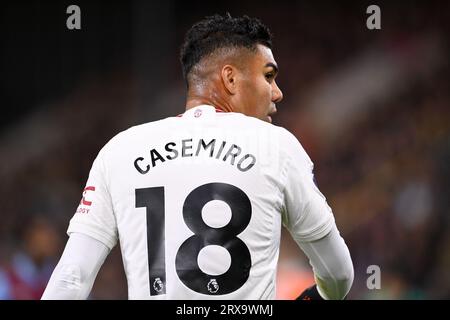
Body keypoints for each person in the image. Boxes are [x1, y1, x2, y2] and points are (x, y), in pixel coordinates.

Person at [42, 13, 353, 300]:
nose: (277, 92)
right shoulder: (277, 146)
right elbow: (338, 273)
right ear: (230, 79)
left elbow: (71, 278)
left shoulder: (119, 151)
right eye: (268, 76)